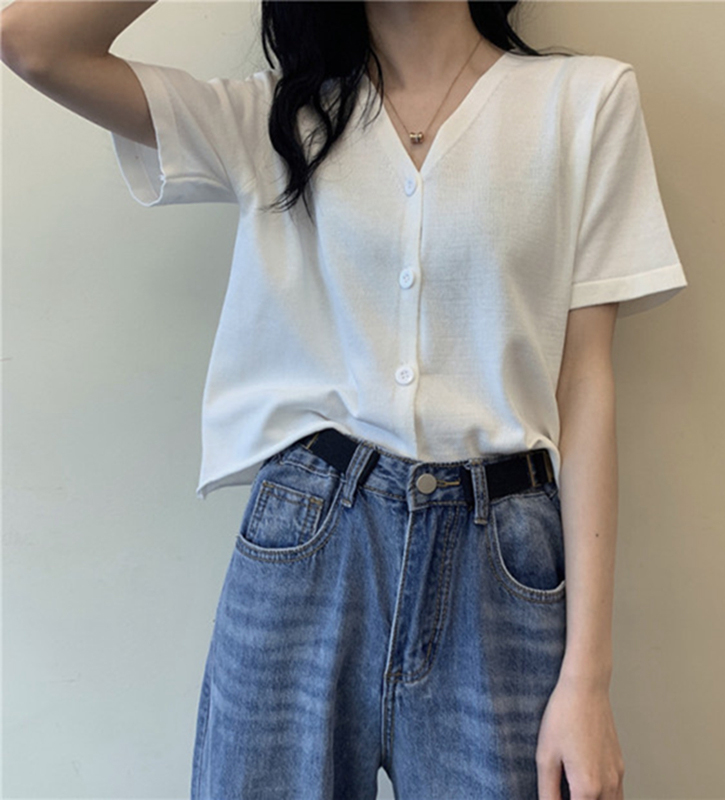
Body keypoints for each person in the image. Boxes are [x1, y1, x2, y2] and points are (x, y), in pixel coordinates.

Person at [1, 1, 687, 798]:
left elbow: (585, 384)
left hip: (503, 567)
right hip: (308, 545)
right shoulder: (275, 119)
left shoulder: (585, 102)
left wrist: (588, 680)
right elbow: (33, 43)